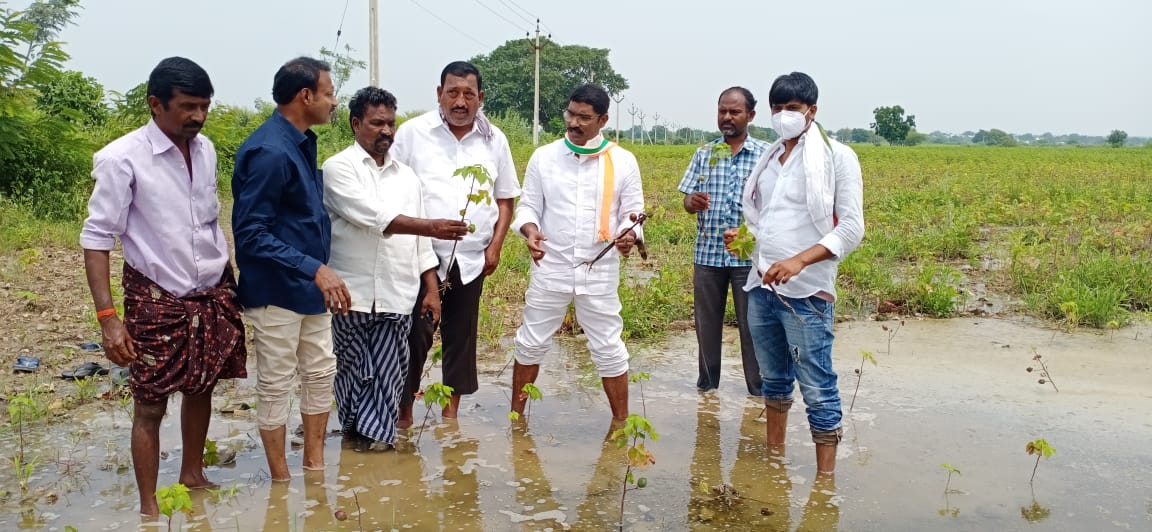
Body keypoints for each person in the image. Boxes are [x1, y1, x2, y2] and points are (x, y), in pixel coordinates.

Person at [80, 57, 247, 516]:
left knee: (202, 386)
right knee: (150, 405)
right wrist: (109, 320)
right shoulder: (122, 159)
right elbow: (97, 240)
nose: (197, 116)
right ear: (156, 104)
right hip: (157, 300)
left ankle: (192, 474)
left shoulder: (207, 149)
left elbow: (208, 223)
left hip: (209, 292)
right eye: (188, 107)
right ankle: (149, 507)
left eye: (204, 107)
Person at [724, 72, 864, 474]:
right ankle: (774, 461)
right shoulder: (769, 159)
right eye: (778, 108)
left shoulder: (837, 157)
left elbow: (851, 228)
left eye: (793, 109)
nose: (784, 116)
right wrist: (745, 237)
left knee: (817, 387)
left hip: (807, 294)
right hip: (761, 286)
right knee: (774, 381)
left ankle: (824, 481)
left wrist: (800, 260)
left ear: (812, 111)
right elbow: (766, 220)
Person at [321, 86, 467, 450]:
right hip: (350, 294)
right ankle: (356, 434)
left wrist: (431, 290)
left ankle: (378, 442)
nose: (386, 131)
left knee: (389, 371)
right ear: (356, 124)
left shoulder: (407, 177)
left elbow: (419, 245)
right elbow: (371, 217)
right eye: (376, 123)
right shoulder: (339, 168)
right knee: (352, 370)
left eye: (391, 123)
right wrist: (430, 226)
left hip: (397, 293)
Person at [232, 56, 348, 480]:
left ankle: (314, 467)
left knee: (321, 373)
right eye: (330, 93)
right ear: (306, 96)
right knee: (276, 383)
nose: (334, 102)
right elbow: (251, 233)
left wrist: (316, 273)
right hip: (277, 292)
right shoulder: (269, 151)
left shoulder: (300, 141)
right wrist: (314, 268)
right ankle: (281, 480)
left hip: (311, 290)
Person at [391, 60, 520, 425]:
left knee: (461, 339)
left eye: (468, 94)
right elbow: (393, 192)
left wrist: (495, 246)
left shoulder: (495, 140)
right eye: (452, 93)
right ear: (439, 94)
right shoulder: (413, 133)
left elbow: (505, 198)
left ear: (480, 98)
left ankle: (451, 416)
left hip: (472, 258)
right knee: (416, 335)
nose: (460, 102)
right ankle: (404, 414)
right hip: (419, 256)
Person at [509, 84, 644, 421]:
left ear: (602, 120)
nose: (574, 123)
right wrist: (530, 232)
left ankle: (621, 425)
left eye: (584, 118)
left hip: (599, 271)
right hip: (550, 266)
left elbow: (633, 214)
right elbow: (527, 208)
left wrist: (629, 235)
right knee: (530, 342)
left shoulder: (623, 161)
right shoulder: (545, 157)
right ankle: (517, 421)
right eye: (571, 114)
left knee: (609, 347)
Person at [678, 87, 767, 396]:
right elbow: (686, 199)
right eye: (722, 112)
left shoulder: (766, 156)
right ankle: (707, 388)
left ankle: (758, 390)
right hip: (708, 254)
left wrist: (748, 234)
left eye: (735, 112)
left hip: (748, 258)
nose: (727, 117)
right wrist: (692, 201)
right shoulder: (705, 153)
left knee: (752, 327)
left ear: (751, 116)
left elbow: (774, 209)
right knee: (706, 326)